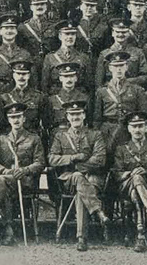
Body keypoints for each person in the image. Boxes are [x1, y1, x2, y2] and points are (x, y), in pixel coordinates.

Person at [0, 102, 46, 246]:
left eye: (19, 117)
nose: (16, 120)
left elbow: (40, 162)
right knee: (3, 182)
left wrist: (25, 170)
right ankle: (9, 231)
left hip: (26, 182)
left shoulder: (34, 139)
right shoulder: (1, 139)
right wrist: (3, 170)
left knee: (1, 182)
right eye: (12, 117)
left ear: (24, 119)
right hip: (7, 181)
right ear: (8, 120)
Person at [48, 101, 110, 251]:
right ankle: (98, 212)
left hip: (92, 178)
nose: (75, 117)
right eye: (72, 114)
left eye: (78, 114)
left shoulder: (95, 134)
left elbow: (100, 158)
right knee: (77, 177)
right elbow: (52, 158)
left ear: (84, 115)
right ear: (67, 117)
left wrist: (80, 167)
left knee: (80, 190)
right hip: (68, 179)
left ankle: (81, 237)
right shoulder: (60, 136)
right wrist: (73, 158)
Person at [112, 111, 147, 253]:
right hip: (127, 186)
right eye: (134, 126)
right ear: (129, 129)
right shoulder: (121, 149)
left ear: (146, 128)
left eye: (140, 126)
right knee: (136, 178)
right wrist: (130, 174)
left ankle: (140, 236)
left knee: (136, 192)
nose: (137, 129)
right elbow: (116, 174)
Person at [91, 51, 147, 132]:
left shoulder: (136, 89)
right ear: (110, 68)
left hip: (129, 130)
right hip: (108, 131)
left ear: (126, 67)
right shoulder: (102, 91)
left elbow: (146, 116)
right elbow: (97, 119)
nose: (118, 69)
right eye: (115, 66)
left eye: (121, 65)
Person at [97, 17, 147, 89]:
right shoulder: (104, 54)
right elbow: (99, 82)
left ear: (128, 33)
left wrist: (128, 81)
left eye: (124, 32)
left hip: (133, 91)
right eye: (117, 32)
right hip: (112, 93)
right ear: (113, 33)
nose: (120, 35)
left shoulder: (138, 52)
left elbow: (146, 76)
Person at [0, 14, 33, 93]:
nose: (9, 31)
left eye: (12, 28)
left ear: (16, 31)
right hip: (1, 93)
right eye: (6, 28)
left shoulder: (25, 54)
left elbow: (33, 81)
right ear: (0, 31)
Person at [1, 60, 46, 133]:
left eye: (24, 74)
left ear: (29, 75)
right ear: (13, 75)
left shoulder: (39, 97)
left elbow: (45, 121)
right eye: (18, 74)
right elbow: (3, 124)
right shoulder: (5, 98)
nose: (21, 77)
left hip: (32, 137)